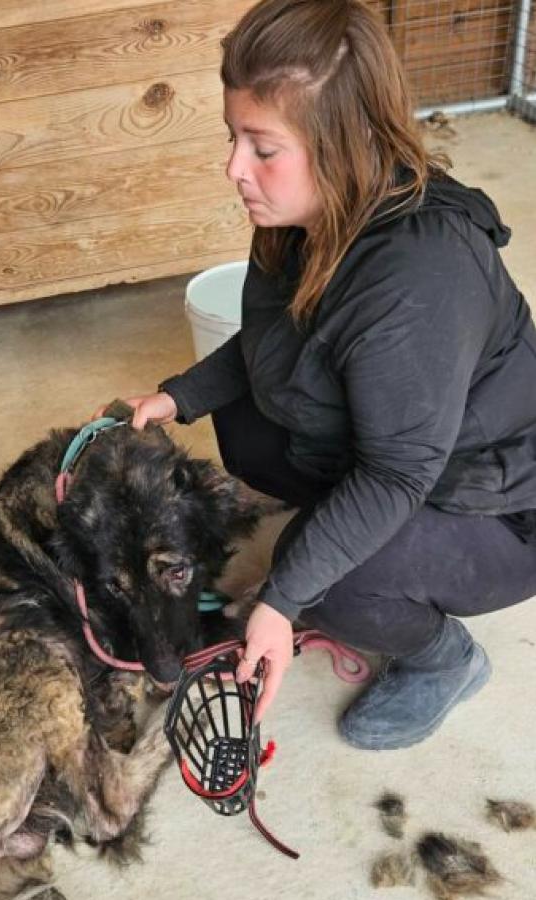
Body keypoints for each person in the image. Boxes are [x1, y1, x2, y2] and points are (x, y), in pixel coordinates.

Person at [97, 0, 536, 751]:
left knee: (332, 581)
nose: (234, 169)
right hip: (414, 451)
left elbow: (397, 473)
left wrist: (284, 598)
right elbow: (274, 341)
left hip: (499, 502)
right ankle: (348, 550)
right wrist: (178, 397)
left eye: (263, 147)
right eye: (233, 137)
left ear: (344, 144)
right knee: (244, 426)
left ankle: (445, 659)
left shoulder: (416, 279)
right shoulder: (301, 219)